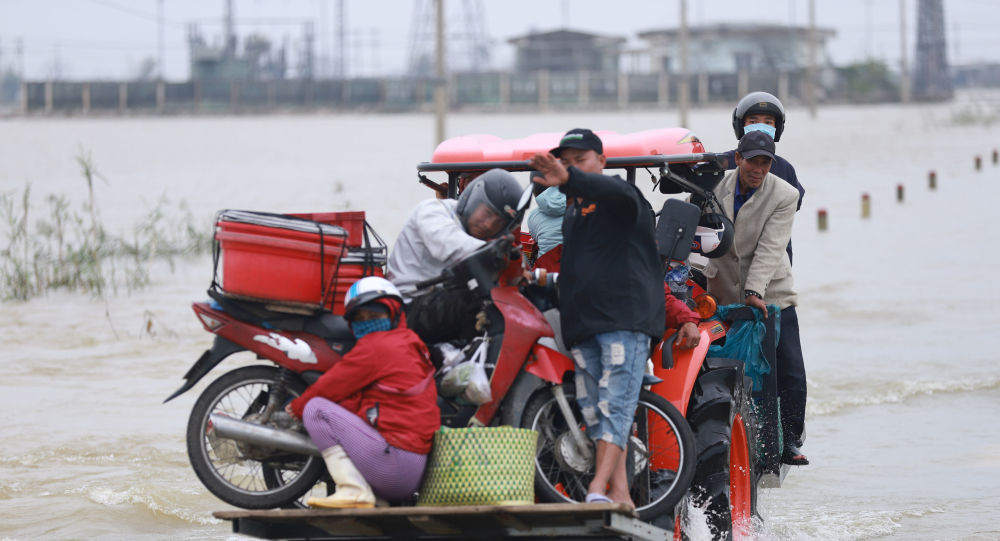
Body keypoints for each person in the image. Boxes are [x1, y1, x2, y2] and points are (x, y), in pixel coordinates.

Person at [529, 128, 666, 508]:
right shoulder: (573, 213)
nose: (571, 169)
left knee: (617, 406)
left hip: (625, 319)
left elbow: (613, 192)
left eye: (580, 161)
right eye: (565, 162)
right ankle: (620, 493)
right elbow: (577, 268)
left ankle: (596, 488)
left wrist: (570, 178)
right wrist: (536, 279)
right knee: (595, 410)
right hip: (583, 325)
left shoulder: (622, 198)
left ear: (602, 163)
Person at [284, 276, 440, 508]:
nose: (367, 323)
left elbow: (331, 386)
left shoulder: (376, 347)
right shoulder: (410, 342)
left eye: (375, 315)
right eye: (360, 318)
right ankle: (374, 498)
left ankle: (353, 490)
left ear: (395, 313)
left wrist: (297, 407)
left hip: (394, 467)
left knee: (316, 409)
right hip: (410, 471)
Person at [703, 129, 808, 465]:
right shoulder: (713, 188)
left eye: (765, 163)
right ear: (738, 159)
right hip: (721, 289)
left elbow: (770, 248)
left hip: (772, 293)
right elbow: (699, 237)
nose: (758, 169)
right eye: (752, 161)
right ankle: (735, 435)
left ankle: (789, 440)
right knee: (728, 369)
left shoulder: (785, 195)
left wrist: (753, 291)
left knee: (789, 371)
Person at [386, 168, 523, 344]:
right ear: (474, 199)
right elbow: (452, 245)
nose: (489, 225)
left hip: (437, 302)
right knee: (478, 304)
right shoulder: (432, 211)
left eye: (498, 222)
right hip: (407, 307)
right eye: (487, 213)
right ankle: (473, 367)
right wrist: (502, 252)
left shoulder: (478, 236)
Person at [724, 91, 804, 264]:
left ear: (777, 128)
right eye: (753, 122)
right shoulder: (723, 163)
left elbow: (791, 208)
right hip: (729, 260)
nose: (758, 170)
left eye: (768, 122)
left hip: (773, 261)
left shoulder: (785, 169)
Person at [526, 183, 566, 272]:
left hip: (545, 272)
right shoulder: (582, 207)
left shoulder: (533, 216)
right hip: (580, 269)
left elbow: (535, 238)